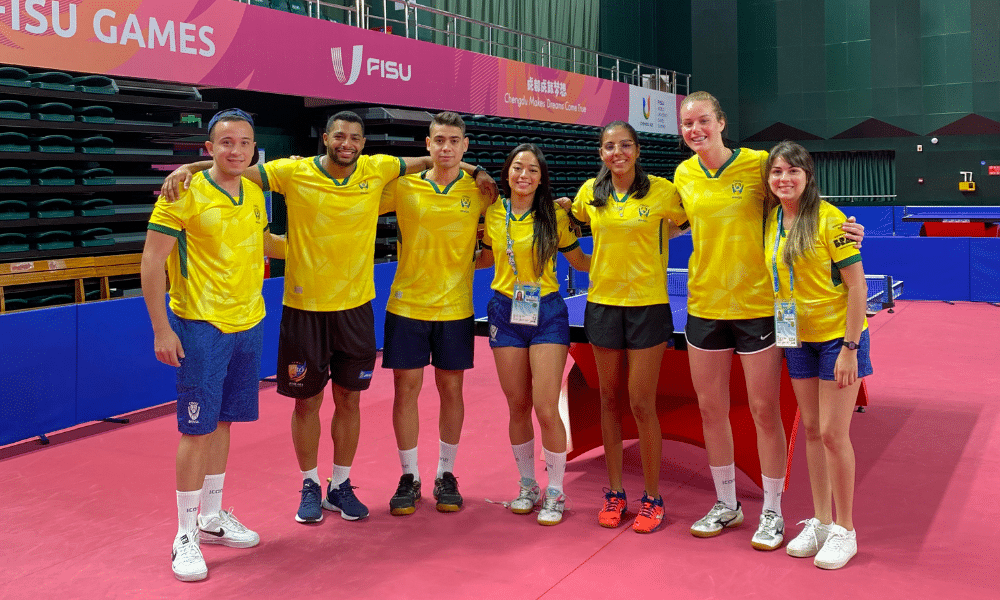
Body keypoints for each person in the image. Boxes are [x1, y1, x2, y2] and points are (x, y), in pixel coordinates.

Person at [161, 111, 496, 525]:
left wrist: (477, 168)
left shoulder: (378, 169)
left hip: (357, 309)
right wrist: (188, 168)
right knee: (307, 403)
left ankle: (341, 484)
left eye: (355, 137)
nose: (347, 143)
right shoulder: (291, 172)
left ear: (363, 142)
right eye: (340, 136)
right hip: (304, 309)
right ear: (325, 138)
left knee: (349, 400)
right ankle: (309, 484)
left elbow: (437, 163)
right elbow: (230, 167)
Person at [673, 91, 864, 550]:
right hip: (703, 305)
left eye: (703, 120)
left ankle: (774, 512)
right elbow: (672, 219)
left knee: (763, 410)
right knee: (709, 408)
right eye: (686, 123)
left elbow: (796, 188)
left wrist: (844, 227)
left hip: (760, 307)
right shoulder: (682, 174)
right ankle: (726, 504)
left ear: (721, 121)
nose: (694, 129)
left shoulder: (758, 163)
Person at [142, 109, 286, 582]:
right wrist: (163, 330)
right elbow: (150, 262)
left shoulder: (255, 193)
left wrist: (317, 240)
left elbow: (261, 241)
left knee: (224, 421)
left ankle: (211, 517)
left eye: (244, 143)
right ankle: (184, 533)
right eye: (226, 143)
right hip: (201, 324)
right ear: (209, 149)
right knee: (197, 428)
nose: (236, 151)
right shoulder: (182, 193)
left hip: (250, 321)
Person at [568, 121, 687, 534]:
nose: (616, 152)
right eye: (608, 147)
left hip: (649, 307)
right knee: (608, 400)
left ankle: (652, 499)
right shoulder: (590, 194)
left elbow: (691, 219)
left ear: (636, 150)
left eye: (624, 146)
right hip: (602, 306)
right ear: (601, 153)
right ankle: (615, 492)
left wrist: (667, 233)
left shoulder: (662, 191)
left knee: (641, 403)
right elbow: (571, 218)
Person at [378, 112, 494, 515]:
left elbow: (494, 247)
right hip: (406, 306)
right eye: (439, 140)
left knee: (451, 392)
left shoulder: (480, 191)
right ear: (427, 146)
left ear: (464, 146)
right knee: (404, 391)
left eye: (453, 141)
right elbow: (355, 205)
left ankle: (447, 474)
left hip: (456, 308)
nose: (446, 147)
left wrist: (463, 263)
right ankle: (409, 476)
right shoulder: (404, 187)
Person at [763, 141, 870, 570]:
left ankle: (846, 529)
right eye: (776, 172)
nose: (783, 179)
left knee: (832, 433)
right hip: (795, 337)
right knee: (808, 430)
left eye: (793, 171)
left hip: (837, 339)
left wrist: (849, 348)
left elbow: (858, 288)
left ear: (808, 176)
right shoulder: (769, 220)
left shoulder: (831, 220)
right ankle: (822, 522)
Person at [477, 143, 590, 526]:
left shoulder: (554, 216)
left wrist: (633, 245)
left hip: (547, 314)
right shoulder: (492, 214)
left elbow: (581, 262)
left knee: (545, 405)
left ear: (541, 178)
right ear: (507, 173)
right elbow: (486, 258)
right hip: (505, 311)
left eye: (532, 170)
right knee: (517, 405)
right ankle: (528, 485)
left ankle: (555, 489)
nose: (523, 175)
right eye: (517, 168)